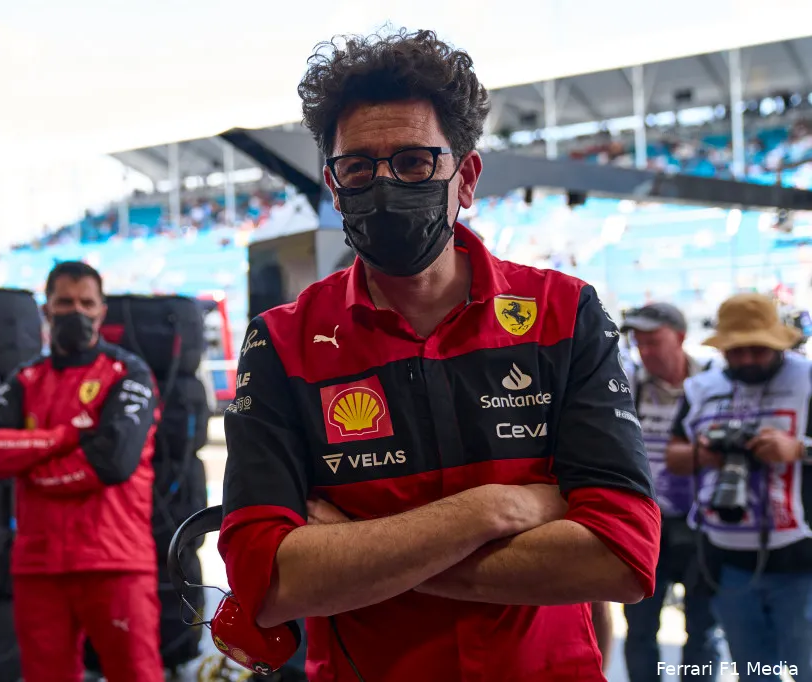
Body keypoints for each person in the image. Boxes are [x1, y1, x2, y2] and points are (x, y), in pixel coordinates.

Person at [219, 29, 661, 681]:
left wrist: (353, 555)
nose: (385, 183)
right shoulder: (282, 343)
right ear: (334, 187)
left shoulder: (565, 313)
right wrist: (494, 509)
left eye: (413, 162)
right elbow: (268, 579)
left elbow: (621, 558)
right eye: (360, 167)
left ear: (466, 176)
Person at [0, 261, 163, 682]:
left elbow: (113, 461)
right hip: (39, 566)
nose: (75, 311)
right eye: (64, 302)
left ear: (102, 310)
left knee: (137, 674)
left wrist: (32, 463)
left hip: (115, 561)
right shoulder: (25, 378)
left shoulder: (130, 374)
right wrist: (65, 439)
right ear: (46, 308)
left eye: (86, 302)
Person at [666, 293, 812, 681]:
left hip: (801, 562)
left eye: (757, 350)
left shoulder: (808, 379)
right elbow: (674, 456)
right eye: (736, 351)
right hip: (727, 561)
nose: (746, 359)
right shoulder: (701, 387)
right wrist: (705, 454)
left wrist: (798, 448)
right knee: (753, 672)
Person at [620, 303, 721, 681]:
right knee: (641, 627)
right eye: (639, 342)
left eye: (654, 340)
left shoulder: (714, 381)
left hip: (704, 525)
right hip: (647, 526)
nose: (646, 350)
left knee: (704, 627)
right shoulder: (629, 384)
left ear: (679, 337)